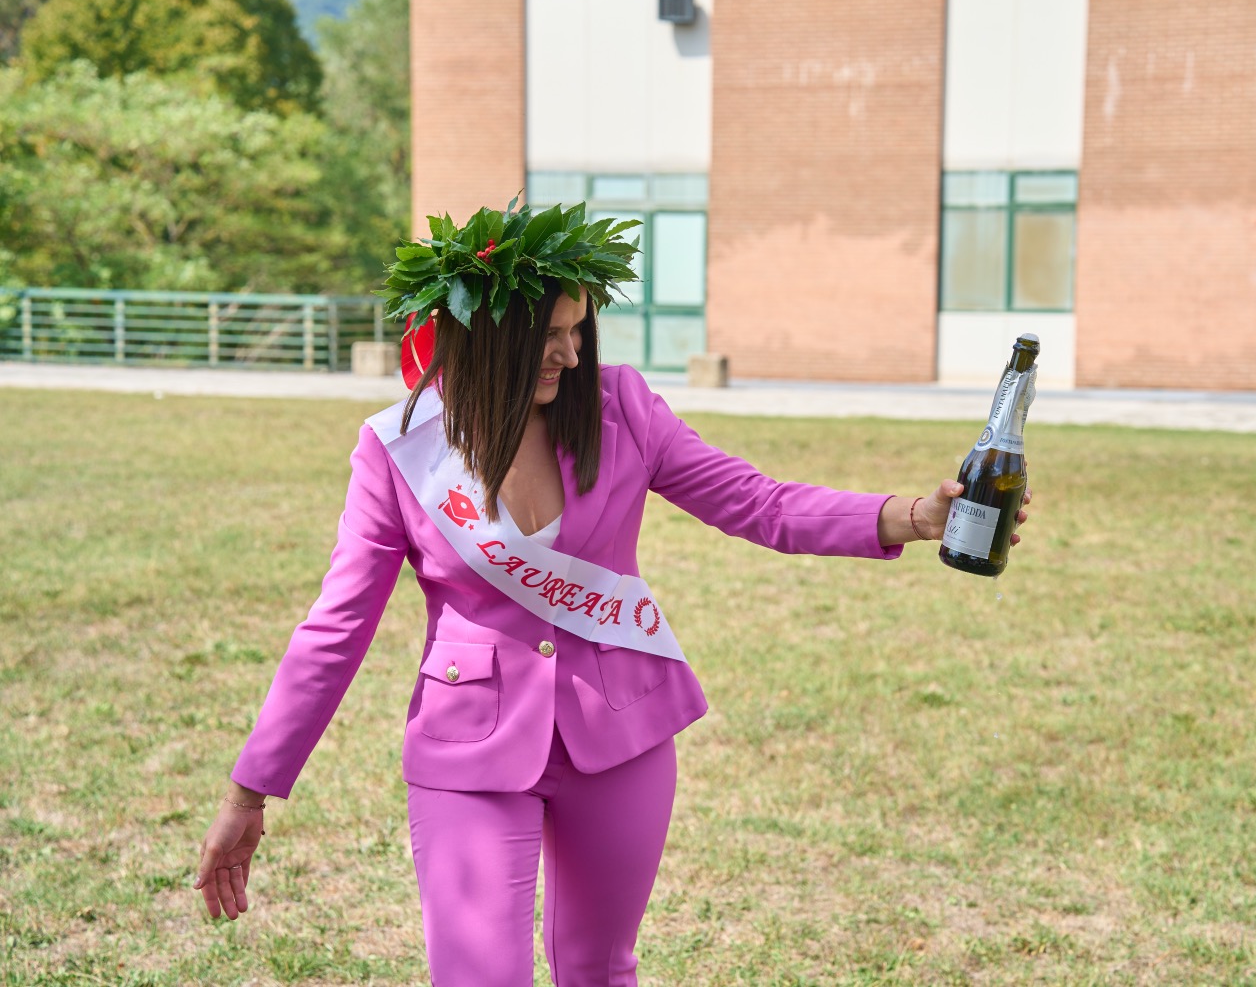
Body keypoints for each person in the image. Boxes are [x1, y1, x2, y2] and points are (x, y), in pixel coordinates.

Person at [193, 203, 1030, 985]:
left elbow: (757, 502)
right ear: (487, 341)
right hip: (470, 748)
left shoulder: (621, 406)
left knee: (599, 968)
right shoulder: (400, 448)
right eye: (548, 338)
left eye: (575, 331)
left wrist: (912, 516)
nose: (568, 353)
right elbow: (336, 628)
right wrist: (250, 789)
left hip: (622, 731)